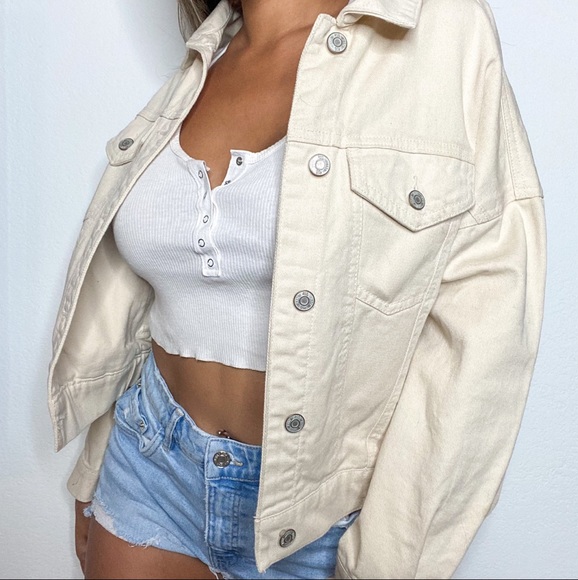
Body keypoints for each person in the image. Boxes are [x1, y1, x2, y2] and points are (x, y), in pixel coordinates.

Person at [48, 0, 546, 578]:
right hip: (150, 465)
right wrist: (95, 464)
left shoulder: (443, 31)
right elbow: (141, 305)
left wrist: (385, 565)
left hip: (323, 522)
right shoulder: (207, 57)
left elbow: (484, 333)